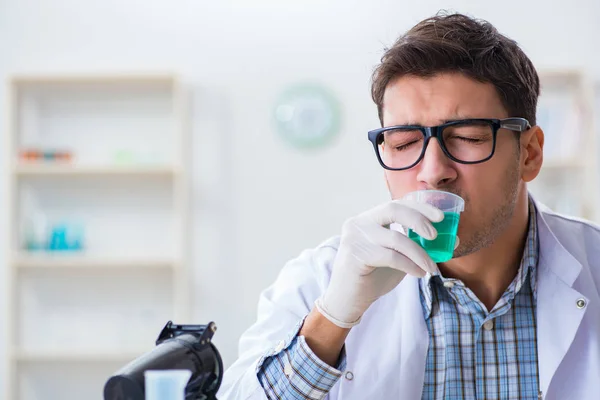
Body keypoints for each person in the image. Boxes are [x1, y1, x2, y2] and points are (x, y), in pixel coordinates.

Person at [218, 12, 600, 400]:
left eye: (466, 137)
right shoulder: (321, 281)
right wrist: (332, 320)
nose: (433, 172)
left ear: (530, 154)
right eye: (403, 143)